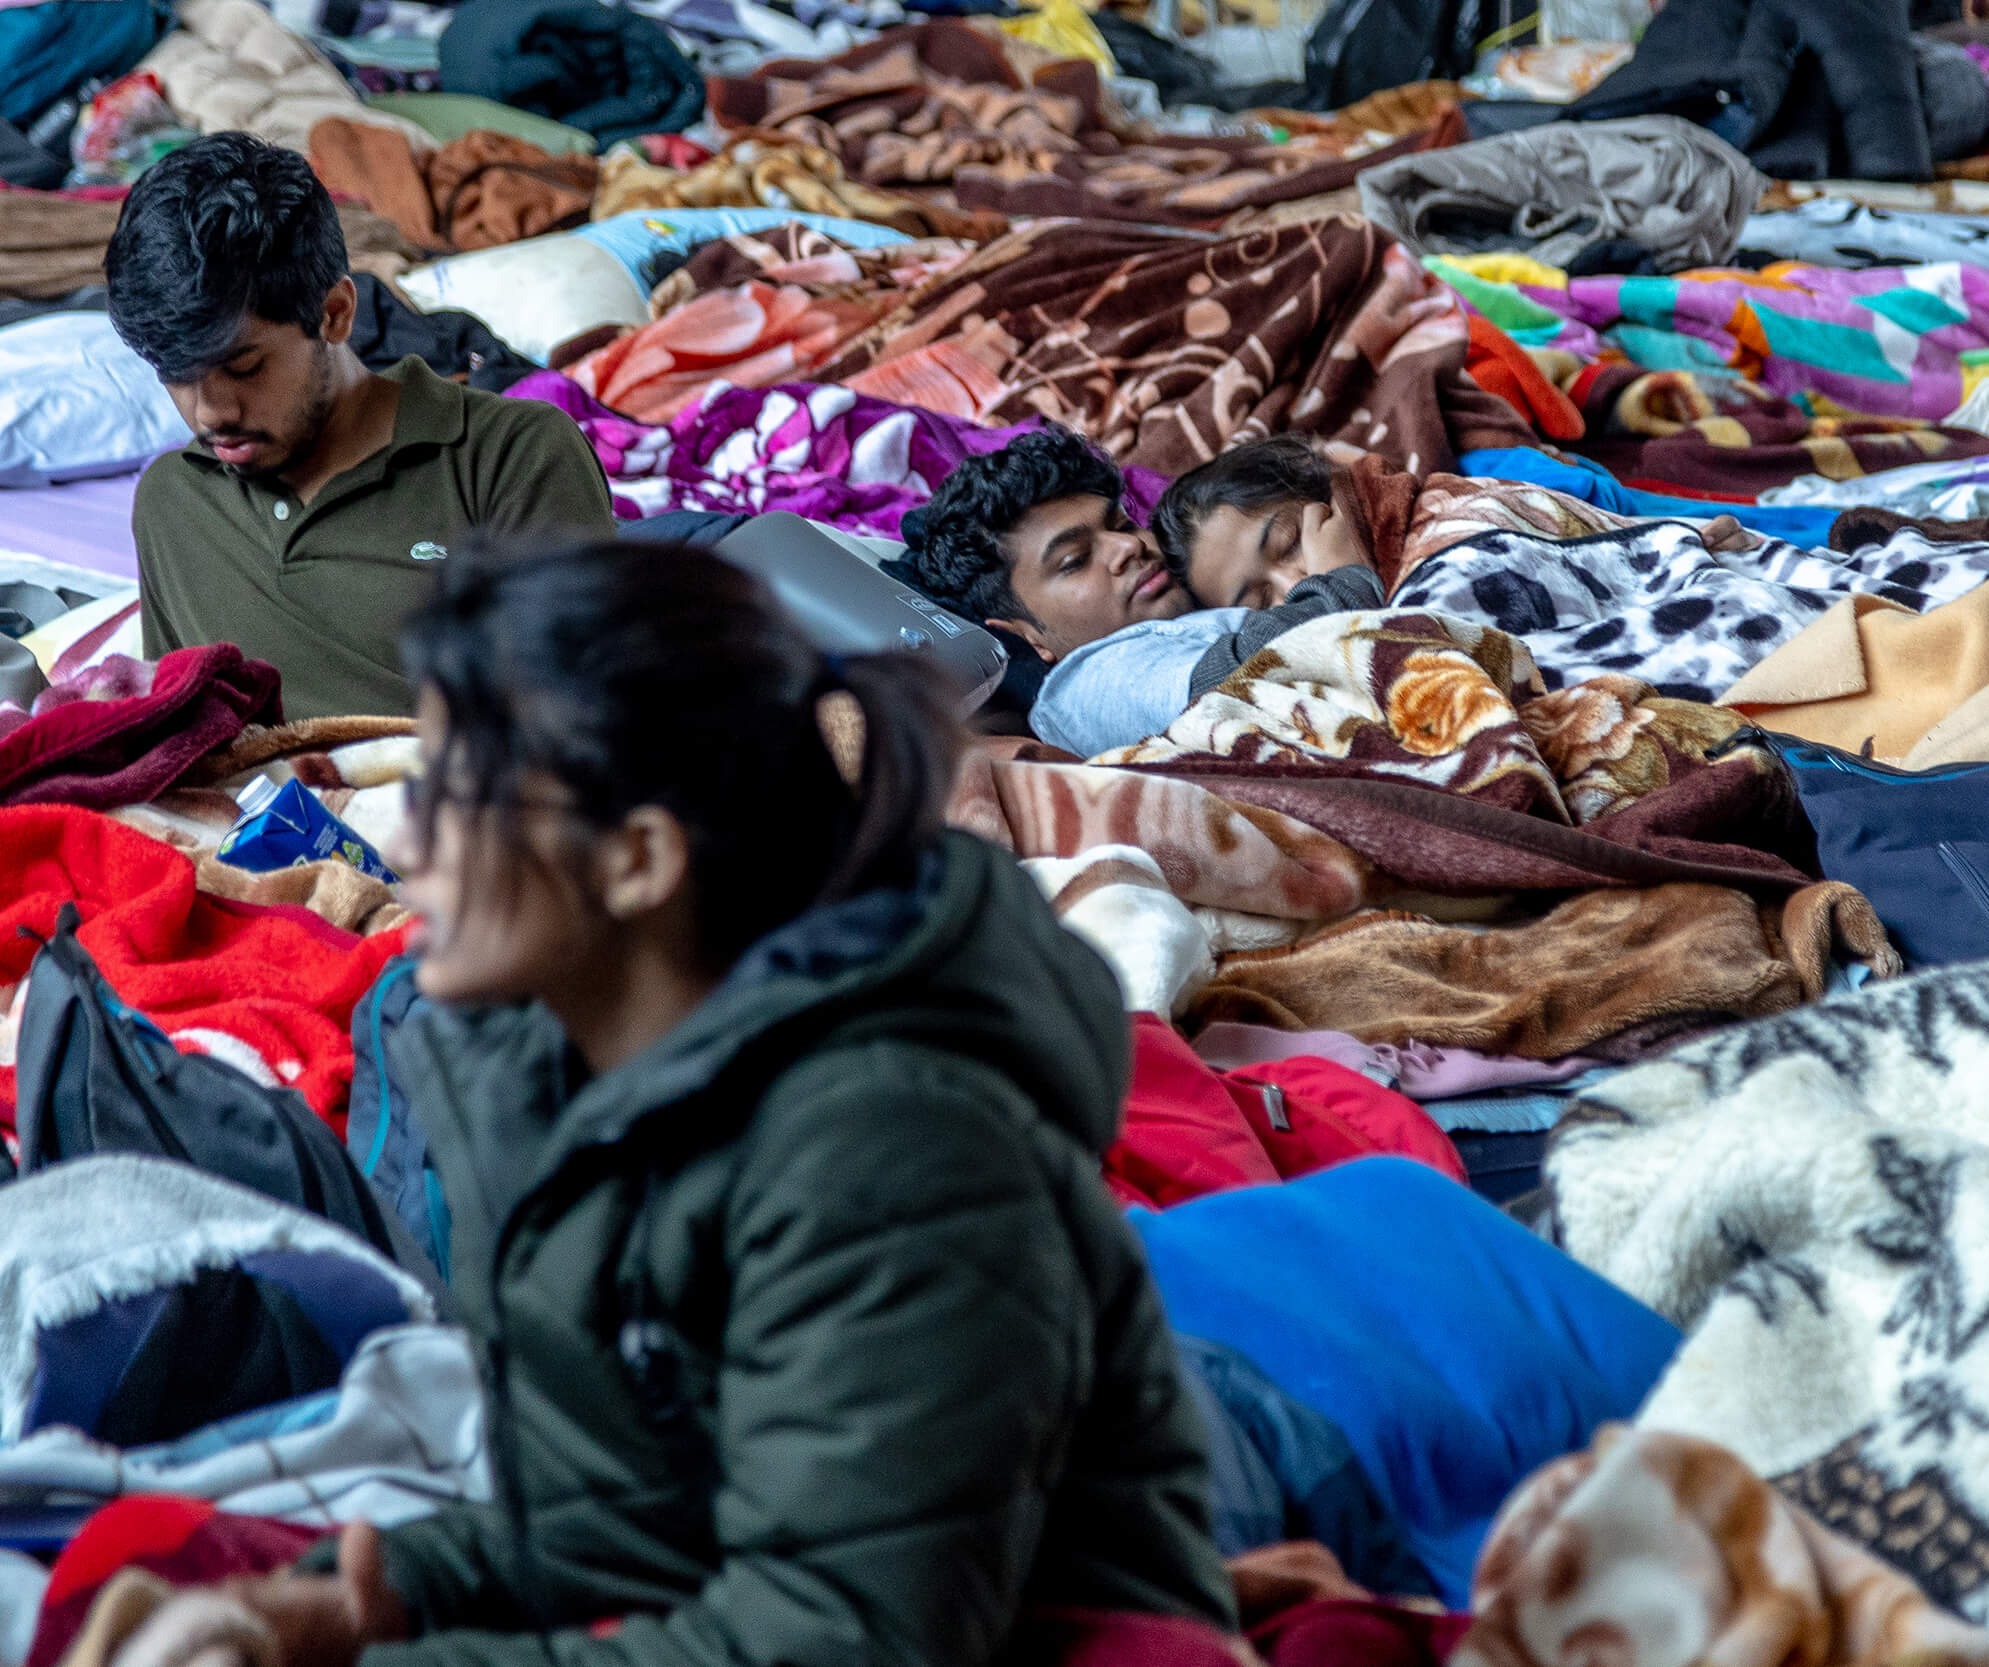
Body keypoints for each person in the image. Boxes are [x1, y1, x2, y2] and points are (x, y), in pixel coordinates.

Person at [123, 541, 1236, 1667]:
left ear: (640, 860)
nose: (408, 839)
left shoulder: (888, 1149)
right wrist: (354, 1604)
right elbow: (630, 1509)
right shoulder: (529, 1062)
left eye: (464, 794)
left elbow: (844, 1635)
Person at [107, 133, 615, 720]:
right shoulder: (174, 502)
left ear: (335, 315)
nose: (210, 413)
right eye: (175, 375)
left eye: (243, 368)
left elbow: (577, 740)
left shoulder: (509, 458)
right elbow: (182, 742)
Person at [901, 428, 1384, 758]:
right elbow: (1252, 676)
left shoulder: (1190, 600)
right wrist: (1344, 577)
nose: (1128, 547)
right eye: (1075, 561)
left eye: (1121, 523)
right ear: (1028, 636)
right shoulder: (1085, 687)